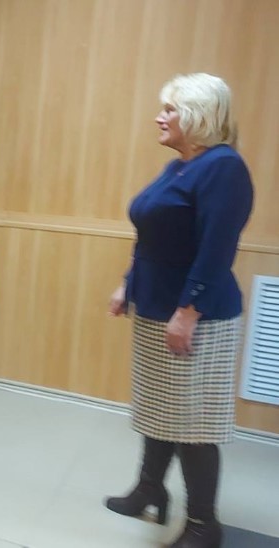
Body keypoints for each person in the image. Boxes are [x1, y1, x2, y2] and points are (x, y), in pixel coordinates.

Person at [105, 73, 254, 548]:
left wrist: (188, 311)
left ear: (199, 115)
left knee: (193, 423)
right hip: (155, 307)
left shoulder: (224, 167)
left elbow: (217, 248)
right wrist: (127, 282)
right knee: (159, 408)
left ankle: (204, 525)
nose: (160, 117)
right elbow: (150, 235)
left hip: (198, 317)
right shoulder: (178, 167)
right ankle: (149, 489)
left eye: (170, 109)